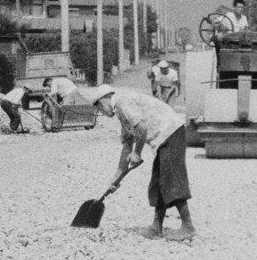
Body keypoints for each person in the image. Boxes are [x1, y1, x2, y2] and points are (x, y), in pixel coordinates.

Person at [72, 83, 193, 240]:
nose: (101, 112)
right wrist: (117, 176)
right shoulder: (120, 112)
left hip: (171, 132)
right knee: (158, 183)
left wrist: (138, 153)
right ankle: (156, 227)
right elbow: (128, 143)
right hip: (163, 138)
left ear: (103, 101)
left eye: (99, 109)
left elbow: (141, 127)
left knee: (171, 180)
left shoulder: (123, 102)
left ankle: (188, 226)